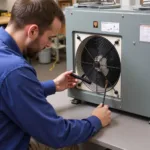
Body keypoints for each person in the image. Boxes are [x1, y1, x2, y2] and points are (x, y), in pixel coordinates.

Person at [0, 0, 111, 149]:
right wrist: (96, 119)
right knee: (70, 146)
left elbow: (10, 91)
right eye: (50, 38)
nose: (49, 45)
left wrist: (53, 85)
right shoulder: (15, 71)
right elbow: (57, 134)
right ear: (32, 31)